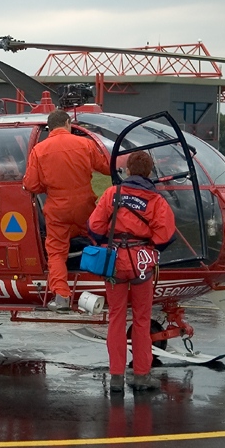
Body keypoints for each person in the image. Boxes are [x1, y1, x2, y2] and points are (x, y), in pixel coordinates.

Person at [87, 150, 176, 392]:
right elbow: (165, 236)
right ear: (149, 172)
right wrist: (147, 245)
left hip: (115, 262)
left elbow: (94, 226)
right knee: (141, 319)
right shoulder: (157, 201)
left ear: (127, 171)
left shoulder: (112, 194)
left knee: (116, 317)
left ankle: (116, 376)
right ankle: (141, 375)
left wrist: (109, 240)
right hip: (141, 264)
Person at [22, 109, 110, 311]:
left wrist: (48, 185)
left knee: (56, 252)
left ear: (50, 128)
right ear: (68, 123)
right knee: (98, 239)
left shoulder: (39, 150)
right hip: (85, 206)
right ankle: (111, 280)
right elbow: (106, 167)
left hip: (57, 210)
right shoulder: (85, 144)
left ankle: (61, 296)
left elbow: (32, 185)